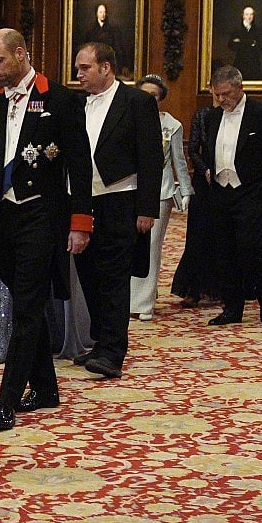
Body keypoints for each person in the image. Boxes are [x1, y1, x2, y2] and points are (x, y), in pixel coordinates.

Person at [0, 28, 93, 431]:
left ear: (20, 53)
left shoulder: (61, 100)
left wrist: (81, 223)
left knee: (26, 305)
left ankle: (6, 401)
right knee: (27, 300)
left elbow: (79, 166)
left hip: (43, 216)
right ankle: (47, 388)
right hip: (3, 219)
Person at [72, 42, 163, 379]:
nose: (78, 74)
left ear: (106, 68)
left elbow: (151, 157)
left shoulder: (137, 102)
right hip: (83, 203)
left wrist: (147, 208)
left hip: (121, 201)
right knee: (88, 274)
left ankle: (112, 350)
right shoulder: (77, 104)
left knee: (113, 277)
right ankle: (99, 341)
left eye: (85, 68)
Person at [199, 66, 262, 325]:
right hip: (221, 192)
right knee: (224, 251)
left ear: (240, 88)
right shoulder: (213, 117)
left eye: (226, 94)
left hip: (252, 192)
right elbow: (209, 150)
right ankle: (232, 308)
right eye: (217, 95)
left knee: (249, 248)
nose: (221, 99)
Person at [130, 74, 193, 321]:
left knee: (151, 247)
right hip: (129, 191)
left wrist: (185, 191)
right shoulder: (127, 119)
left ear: (161, 99)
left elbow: (179, 160)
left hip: (160, 192)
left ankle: (143, 303)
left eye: (154, 96)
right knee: (129, 248)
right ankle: (127, 299)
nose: (149, 99)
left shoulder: (171, 125)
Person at [170, 94, 221, 307]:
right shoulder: (202, 115)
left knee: (223, 235)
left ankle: (224, 288)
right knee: (198, 235)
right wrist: (205, 170)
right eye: (217, 93)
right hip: (204, 182)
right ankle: (193, 289)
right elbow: (192, 149)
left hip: (229, 180)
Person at [226, 6, 262, 82]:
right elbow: (231, 45)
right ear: (243, 16)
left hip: (253, 63)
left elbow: (260, 46)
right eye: (247, 14)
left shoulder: (258, 30)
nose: (249, 17)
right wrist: (250, 42)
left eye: (251, 14)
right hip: (240, 62)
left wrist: (240, 42)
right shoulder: (237, 30)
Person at [78, 5, 129, 79]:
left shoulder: (113, 30)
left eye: (104, 12)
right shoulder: (91, 31)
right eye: (100, 12)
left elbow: (119, 48)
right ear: (97, 14)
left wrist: (125, 65)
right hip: (94, 63)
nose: (103, 14)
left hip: (110, 63)